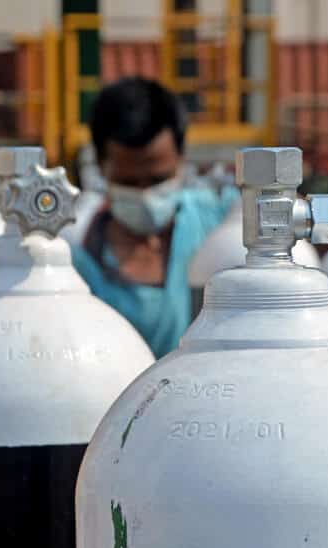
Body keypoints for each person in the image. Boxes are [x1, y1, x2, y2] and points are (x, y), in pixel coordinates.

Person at [70, 77, 236, 358]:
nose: (146, 195)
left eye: (159, 179)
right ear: (100, 165)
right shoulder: (78, 251)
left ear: (182, 158)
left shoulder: (222, 219)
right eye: (129, 182)